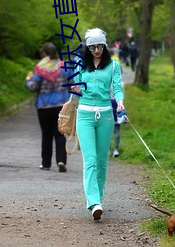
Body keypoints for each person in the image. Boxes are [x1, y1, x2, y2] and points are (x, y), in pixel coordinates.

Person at [72, 28, 124, 220]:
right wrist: (75, 88)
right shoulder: (80, 64)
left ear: (105, 45)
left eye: (100, 46)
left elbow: (117, 87)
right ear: (87, 47)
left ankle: (98, 198)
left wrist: (120, 101)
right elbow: (75, 89)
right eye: (92, 47)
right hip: (84, 115)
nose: (96, 50)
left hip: (106, 116)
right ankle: (94, 202)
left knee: (102, 161)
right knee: (91, 160)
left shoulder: (113, 65)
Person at [25, 42, 74, 173]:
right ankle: (61, 160)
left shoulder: (41, 69)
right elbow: (72, 84)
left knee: (46, 135)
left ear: (44, 54)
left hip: (44, 106)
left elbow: (33, 87)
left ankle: (46, 163)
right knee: (60, 134)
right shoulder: (65, 66)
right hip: (61, 106)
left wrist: (28, 80)